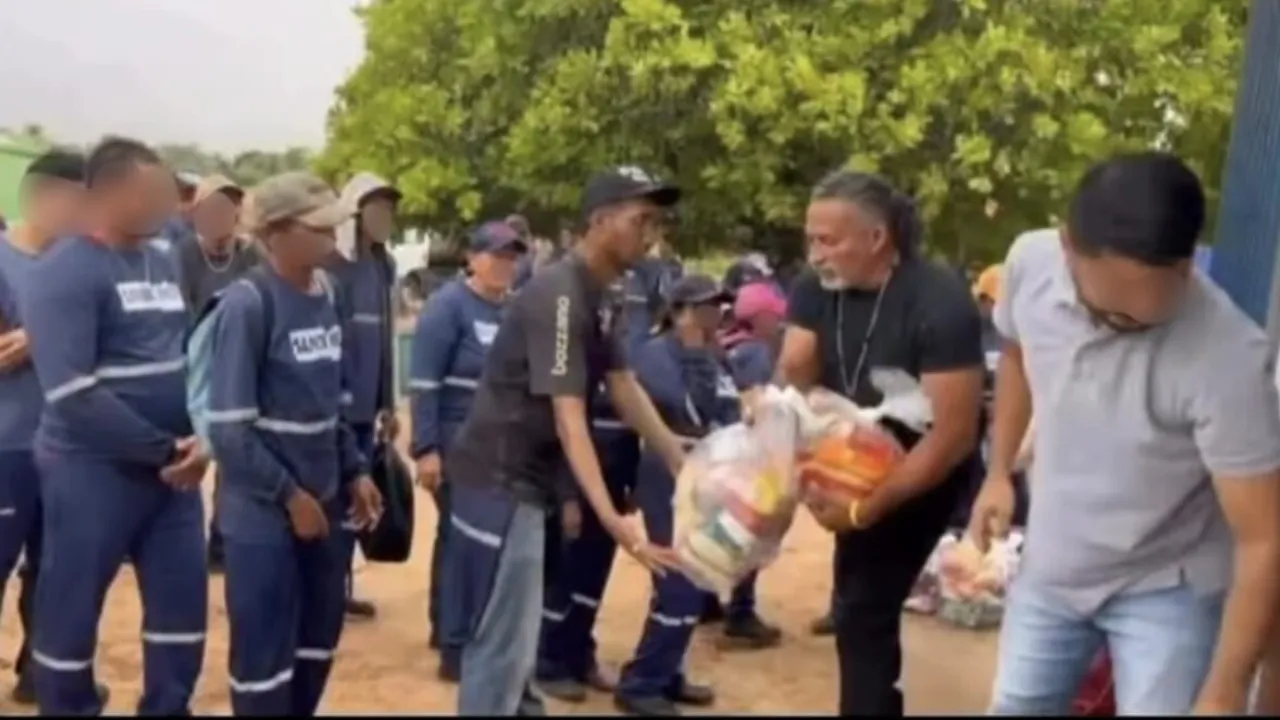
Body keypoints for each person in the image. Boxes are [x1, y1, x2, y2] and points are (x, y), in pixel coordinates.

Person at [971, 153, 1280, 715]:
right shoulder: (1030, 264)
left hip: (1169, 587)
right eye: (1110, 312)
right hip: (1053, 566)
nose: (1128, 323)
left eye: (1151, 311)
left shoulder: (1231, 359)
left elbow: (1264, 538)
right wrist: (998, 473)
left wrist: (1225, 688)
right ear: (1068, 247)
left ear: (1187, 265)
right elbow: (1017, 353)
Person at [442, 165, 688, 716]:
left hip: (533, 483)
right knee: (500, 644)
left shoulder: (607, 293)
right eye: (640, 219)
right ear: (600, 222)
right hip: (502, 482)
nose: (650, 233)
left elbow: (622, 384)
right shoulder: (559, 294)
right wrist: (615, 520)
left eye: (655, 221)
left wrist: (676, 454)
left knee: (522, 637)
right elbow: (568, 417)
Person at [776, 169, 984, 715]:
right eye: (811, 239)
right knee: (861, 606)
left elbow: (955, 435)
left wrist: (865, 510)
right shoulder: (814, 287)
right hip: (850, 455)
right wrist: (779, 404)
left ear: (876, 238)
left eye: (830, 241)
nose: (816, 255)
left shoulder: (938, 299)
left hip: (926, 469)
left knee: (866, 605)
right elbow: (794, 367)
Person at [22, 137, 211, 715]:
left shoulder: (164, 256)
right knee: (72, 607)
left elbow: (181, 357)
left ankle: (167, 705)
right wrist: (163, 449)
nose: (168, 205)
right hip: (93, 473)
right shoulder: (65, 271)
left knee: (181, 606)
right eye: (151, 193)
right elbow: (74, 393)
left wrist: (200, 438)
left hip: (173, 477)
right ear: (106, 194)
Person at [203, 171, 381, 715]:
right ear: (276, 233)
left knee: (316, 643)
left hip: (324, 506)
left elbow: (332, 403)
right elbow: (230, 429)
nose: (332, 239)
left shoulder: (328, 292)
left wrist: (356, 471)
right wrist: (290, 497)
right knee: (264, 655)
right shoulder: (248, 304)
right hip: (264, 513)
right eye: (318, 228)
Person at [614, 274, 758, 716]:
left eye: (718, 307)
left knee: (697, 577)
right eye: (703, 307)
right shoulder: (655, 354)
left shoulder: (716, 355)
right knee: (678, 578)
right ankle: (641, 683)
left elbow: (732, 410)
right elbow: (688, 409)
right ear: (677, 312)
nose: (714, 315)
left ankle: (666, 674)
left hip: (711, 471)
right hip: (668, 469)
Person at [0, 149, 107, 706]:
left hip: (68, 446)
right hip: (7, 443)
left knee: (56, 570)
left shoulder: (79, 264)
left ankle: (38, 673)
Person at [409, 220, 527, 681]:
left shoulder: (512, 312)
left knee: (470, 541)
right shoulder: (448, 307)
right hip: (456, 444)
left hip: (500, 449)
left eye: (512, 257)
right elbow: (423, 382)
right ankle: (455, 645)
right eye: (496, 255)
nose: (504, 265)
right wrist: (426, 449)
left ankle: (456, 627)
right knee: (462, 543)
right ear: (471, 259)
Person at [175, 174, 261, 573]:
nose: (221, 216)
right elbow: (180, 317)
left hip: (237, 365)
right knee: (192, 453)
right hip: (191, 366)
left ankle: (222, 542)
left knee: (234, 450)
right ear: (196, 213)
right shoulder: (182, 256)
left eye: (228, 208)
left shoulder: (249, 256)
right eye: (213, 208)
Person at [695, 281, 789, 644]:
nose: (778, 322)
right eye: (774, 315)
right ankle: (741, 612)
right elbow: (756, 405)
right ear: (761, 317)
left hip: (716, 451)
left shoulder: (723, 345)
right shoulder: (756, 354)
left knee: (719, 527)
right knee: (751, 529)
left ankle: (707, 600)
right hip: (745, 454)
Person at [330, 172, 402, 620]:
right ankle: (326, 590)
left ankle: (341, 586)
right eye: (376, 210)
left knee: (360, 501)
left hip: (367, 410)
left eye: (390, 211)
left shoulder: (384, 264)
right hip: (336, 410)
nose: (385, 218)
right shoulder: (331, 267)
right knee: (335, 498)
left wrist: (389, 402)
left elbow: (388, 335)